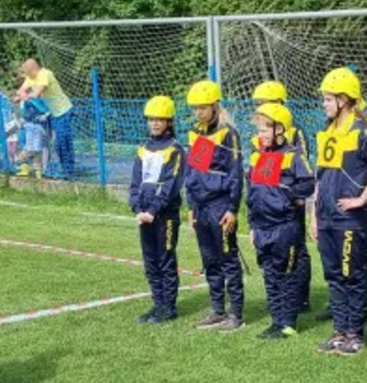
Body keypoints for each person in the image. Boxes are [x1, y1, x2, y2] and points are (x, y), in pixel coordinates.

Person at [309, 67, 367, 356]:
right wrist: (314, 214)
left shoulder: (361, 131)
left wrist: (363, 198)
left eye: (328, 99)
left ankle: (355, 333)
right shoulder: (327, 130)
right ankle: (339, 331)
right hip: (326, 216)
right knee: (334, 276)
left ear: (344, 100)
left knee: (351, 275)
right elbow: (321, 176)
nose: (324, 104)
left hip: (350, 219)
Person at [247, 102, 315, 340]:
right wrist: (252, 226)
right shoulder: (258, 156)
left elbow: (308, 183)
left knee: (287, 275)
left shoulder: (293, 156)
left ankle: (287, 322)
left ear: (280, 129)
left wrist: (288, 198)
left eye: (265, 129)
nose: (261, 134)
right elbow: (253, 194)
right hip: (262, 227)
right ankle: (277, 320)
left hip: (285, 227)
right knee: (270, 275)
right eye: (259, 129)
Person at [184, 79, 245, 332]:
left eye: (202, 107)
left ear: (215, 106)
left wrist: (232, 208)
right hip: (201, 208)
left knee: (228, 260)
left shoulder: (228, 134)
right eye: (195, 108)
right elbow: (192, 172)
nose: (198, 112)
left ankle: (236, 314)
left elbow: (235, 173)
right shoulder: (196, 132)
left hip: (220, 206)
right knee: (210, 260)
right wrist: (191, 206)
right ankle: (217, 310)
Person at [130, 96, 185, 324]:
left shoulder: (175, 150)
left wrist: (153, 209)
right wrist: (137, 206)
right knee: (150, 261)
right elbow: (136, 181)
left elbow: (171, 185)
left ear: (168, 122)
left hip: (165, 216)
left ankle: (168, 307)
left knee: (165, 260)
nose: (154, 123)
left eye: (159, 119)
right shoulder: (143, 149)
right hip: (145, 215)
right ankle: (158, 303)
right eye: (151, 119)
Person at [15, 57, 74, 180]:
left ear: (32, 68)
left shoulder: (45, 74)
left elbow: (36, 93)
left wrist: (24, 96)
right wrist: (21, 95)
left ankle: (68, 170)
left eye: (26, 71)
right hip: (52, 113)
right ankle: (58, 168)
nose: (26, 75)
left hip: (63, 111)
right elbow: (20, 91)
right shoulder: (30, 77)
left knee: (62, 141)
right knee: (50, 142)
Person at [16, 96, 50, 177]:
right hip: (37, 144)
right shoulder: (39, 124)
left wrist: (21, 121)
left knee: (20, 158)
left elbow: (23, 121)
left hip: (30, 145)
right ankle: (38, 172)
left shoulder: (28, 105)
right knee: (36, 155)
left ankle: (25, 170)